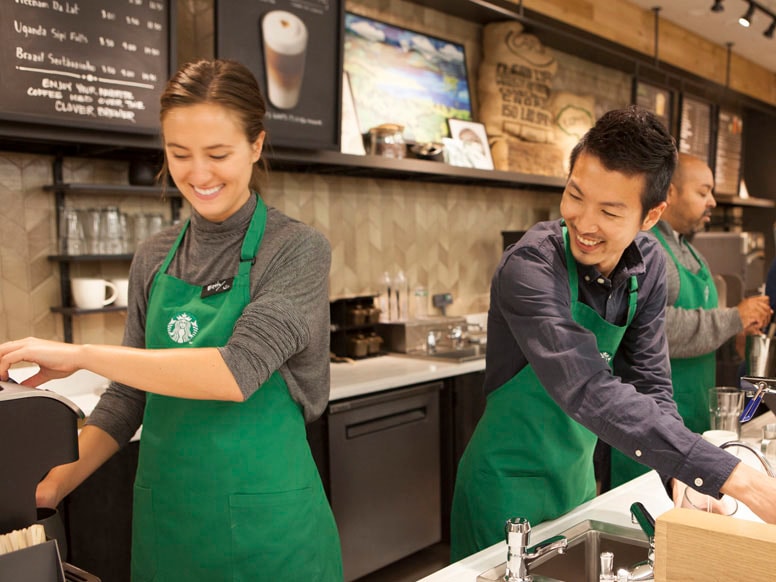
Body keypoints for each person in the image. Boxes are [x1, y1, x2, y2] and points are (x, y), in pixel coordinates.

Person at [0, 59, 343, 581]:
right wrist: (46, 490)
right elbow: (127, 397)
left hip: (268, 531)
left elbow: (234, 372)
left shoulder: (296, 250)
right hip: (170, 526)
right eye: (179, 154)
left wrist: (81, 356)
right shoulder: (154, 256)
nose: (198, 174)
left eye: (219, 154)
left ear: (256, 145)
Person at [449, 106, 776, 561]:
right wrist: (734, 476)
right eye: (575, 196)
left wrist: (681, 473)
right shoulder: (529, 266)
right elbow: (586, 386)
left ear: (650, 216)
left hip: (578, 484)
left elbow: (650, 383)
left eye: (609, 211)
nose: (584, 223)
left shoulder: (650, 265)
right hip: (504, 487)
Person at [610, 153, 772, 487]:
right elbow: (657, 328)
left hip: (694, 421)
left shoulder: (689, 250)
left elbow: (703, 333)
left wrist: (735, 339)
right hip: (650, 432)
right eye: (703, 192)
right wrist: (733, 318)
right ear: (669, 193)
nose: (712, 201)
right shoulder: (646, 247)